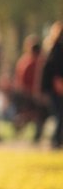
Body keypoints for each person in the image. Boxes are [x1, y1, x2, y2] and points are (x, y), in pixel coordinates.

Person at [39, 20, 63, 149]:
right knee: (60, 113)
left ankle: (57, 139)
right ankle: (56, 139)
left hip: (54, 86)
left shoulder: (52, 46)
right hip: (57, 86)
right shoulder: (58, 47)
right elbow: (56, 69)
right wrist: (59, 83)